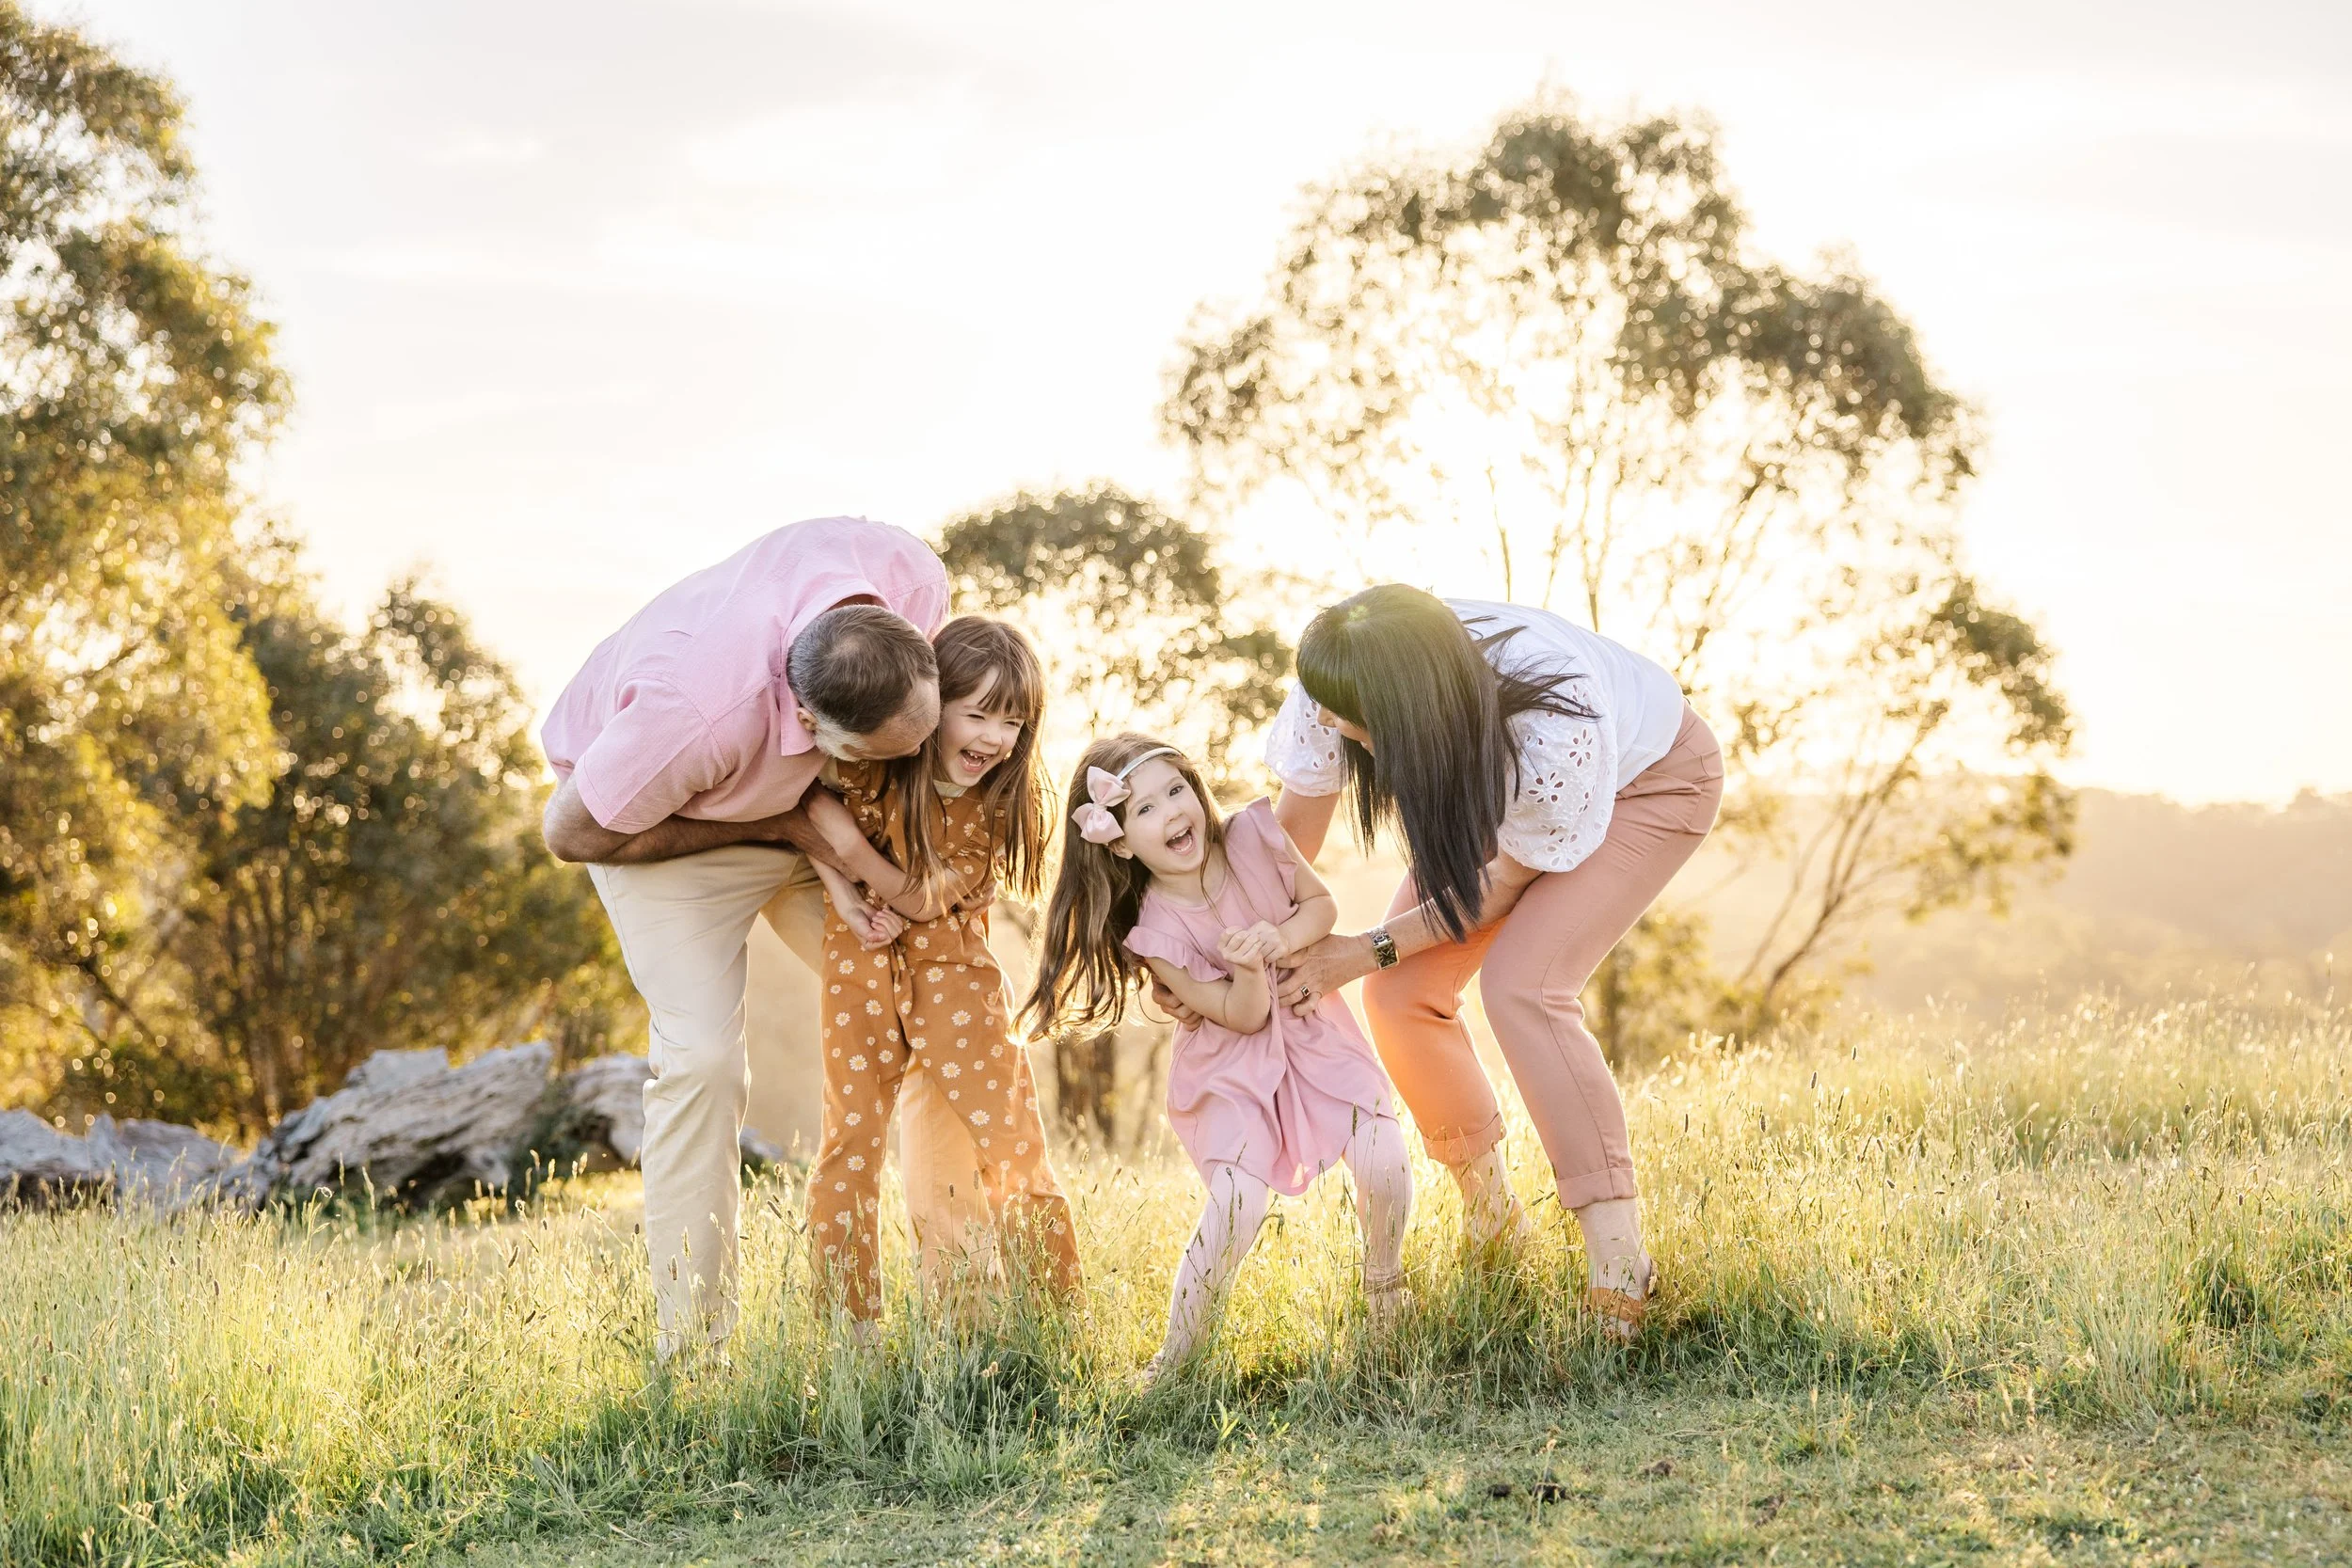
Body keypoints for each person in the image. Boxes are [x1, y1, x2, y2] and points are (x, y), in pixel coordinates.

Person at [540, 515, 1010, 1357]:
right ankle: (696, 1355)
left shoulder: (908, 576)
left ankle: (968, 1317)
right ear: (810, 720)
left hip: (812, 818)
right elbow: (570, 832)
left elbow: (864, 780)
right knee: (704, 1064)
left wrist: (838, 843)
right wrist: (782, 829)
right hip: (662, 831)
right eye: (884, 751)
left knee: (930, 1003)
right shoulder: (691, 715)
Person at [1262, 584, 1723, 1338]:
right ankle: (1495, 1221)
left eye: (1349, 719)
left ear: (1407, 706)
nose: (1325, 723)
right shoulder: (1338, 676)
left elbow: (1496, 887)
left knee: (1525, 987)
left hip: (1648, 783)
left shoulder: (1552, 718)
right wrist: (1227, 946)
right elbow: (1290, 839)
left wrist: (1359, 951)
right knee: (1399, 996)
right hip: (1502, 797)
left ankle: (1619, 1263)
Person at [1024, 734, 1412, 1379]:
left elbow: (1323, 906)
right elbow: (1242, 1013)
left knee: (1384, 1155)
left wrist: (1278, 936)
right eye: (1144, 808)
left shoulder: (1255, 838)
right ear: (1119, 841)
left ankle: (1386, 1303)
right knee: (1238, 1201)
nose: (1173, 811)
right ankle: (1177, 1360)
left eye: (1176, 790)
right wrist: (1249, 967)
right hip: (1230, 1062)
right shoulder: (1151, 931)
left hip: (1313, 1028)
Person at [803, 617, 1083, 1331]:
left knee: (1008, 1141)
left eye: (1013, 721)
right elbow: (800, 797)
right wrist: (839, 881)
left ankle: (1047, 1321)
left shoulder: (994, 808)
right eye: (979, 712)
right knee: (849, 1145)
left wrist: (852, 855)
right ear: (931, 709)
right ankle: (849, 1336)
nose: (994, 737)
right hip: (858, 962)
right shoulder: (868, 766)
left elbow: (924, 897)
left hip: (956, 977)